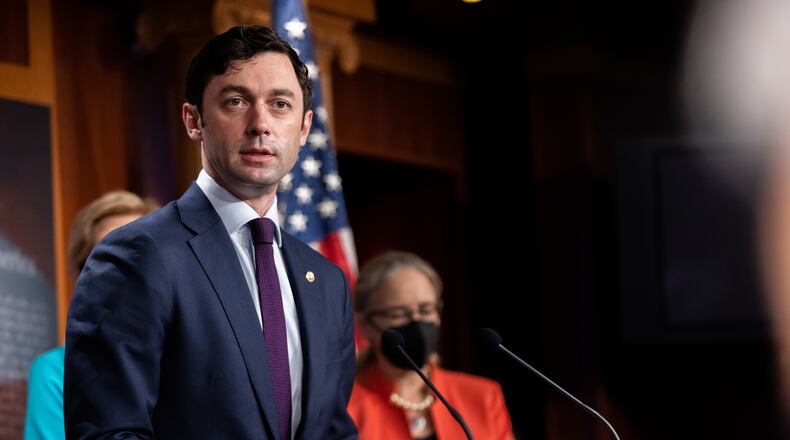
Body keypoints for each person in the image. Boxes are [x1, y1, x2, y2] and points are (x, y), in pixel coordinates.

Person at [63, 25, 358, 439]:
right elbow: (109, 431)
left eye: (280, 104)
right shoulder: (137, 256)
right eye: (236, 101)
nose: (260, 124)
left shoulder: (327, 282)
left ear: (305, 127)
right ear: (193, 120)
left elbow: (333, 431)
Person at [24, 190, 158, 440]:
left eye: (142, 257)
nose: (130, 274)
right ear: (82, 276)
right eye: (112, 260)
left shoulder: (194, 358)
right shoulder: (55, 373)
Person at [348, 251, 514, 439]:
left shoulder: (482, 397)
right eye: (398, 313)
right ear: (363, 324)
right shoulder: (344, 407)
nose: (417, 322)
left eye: (426, 310)